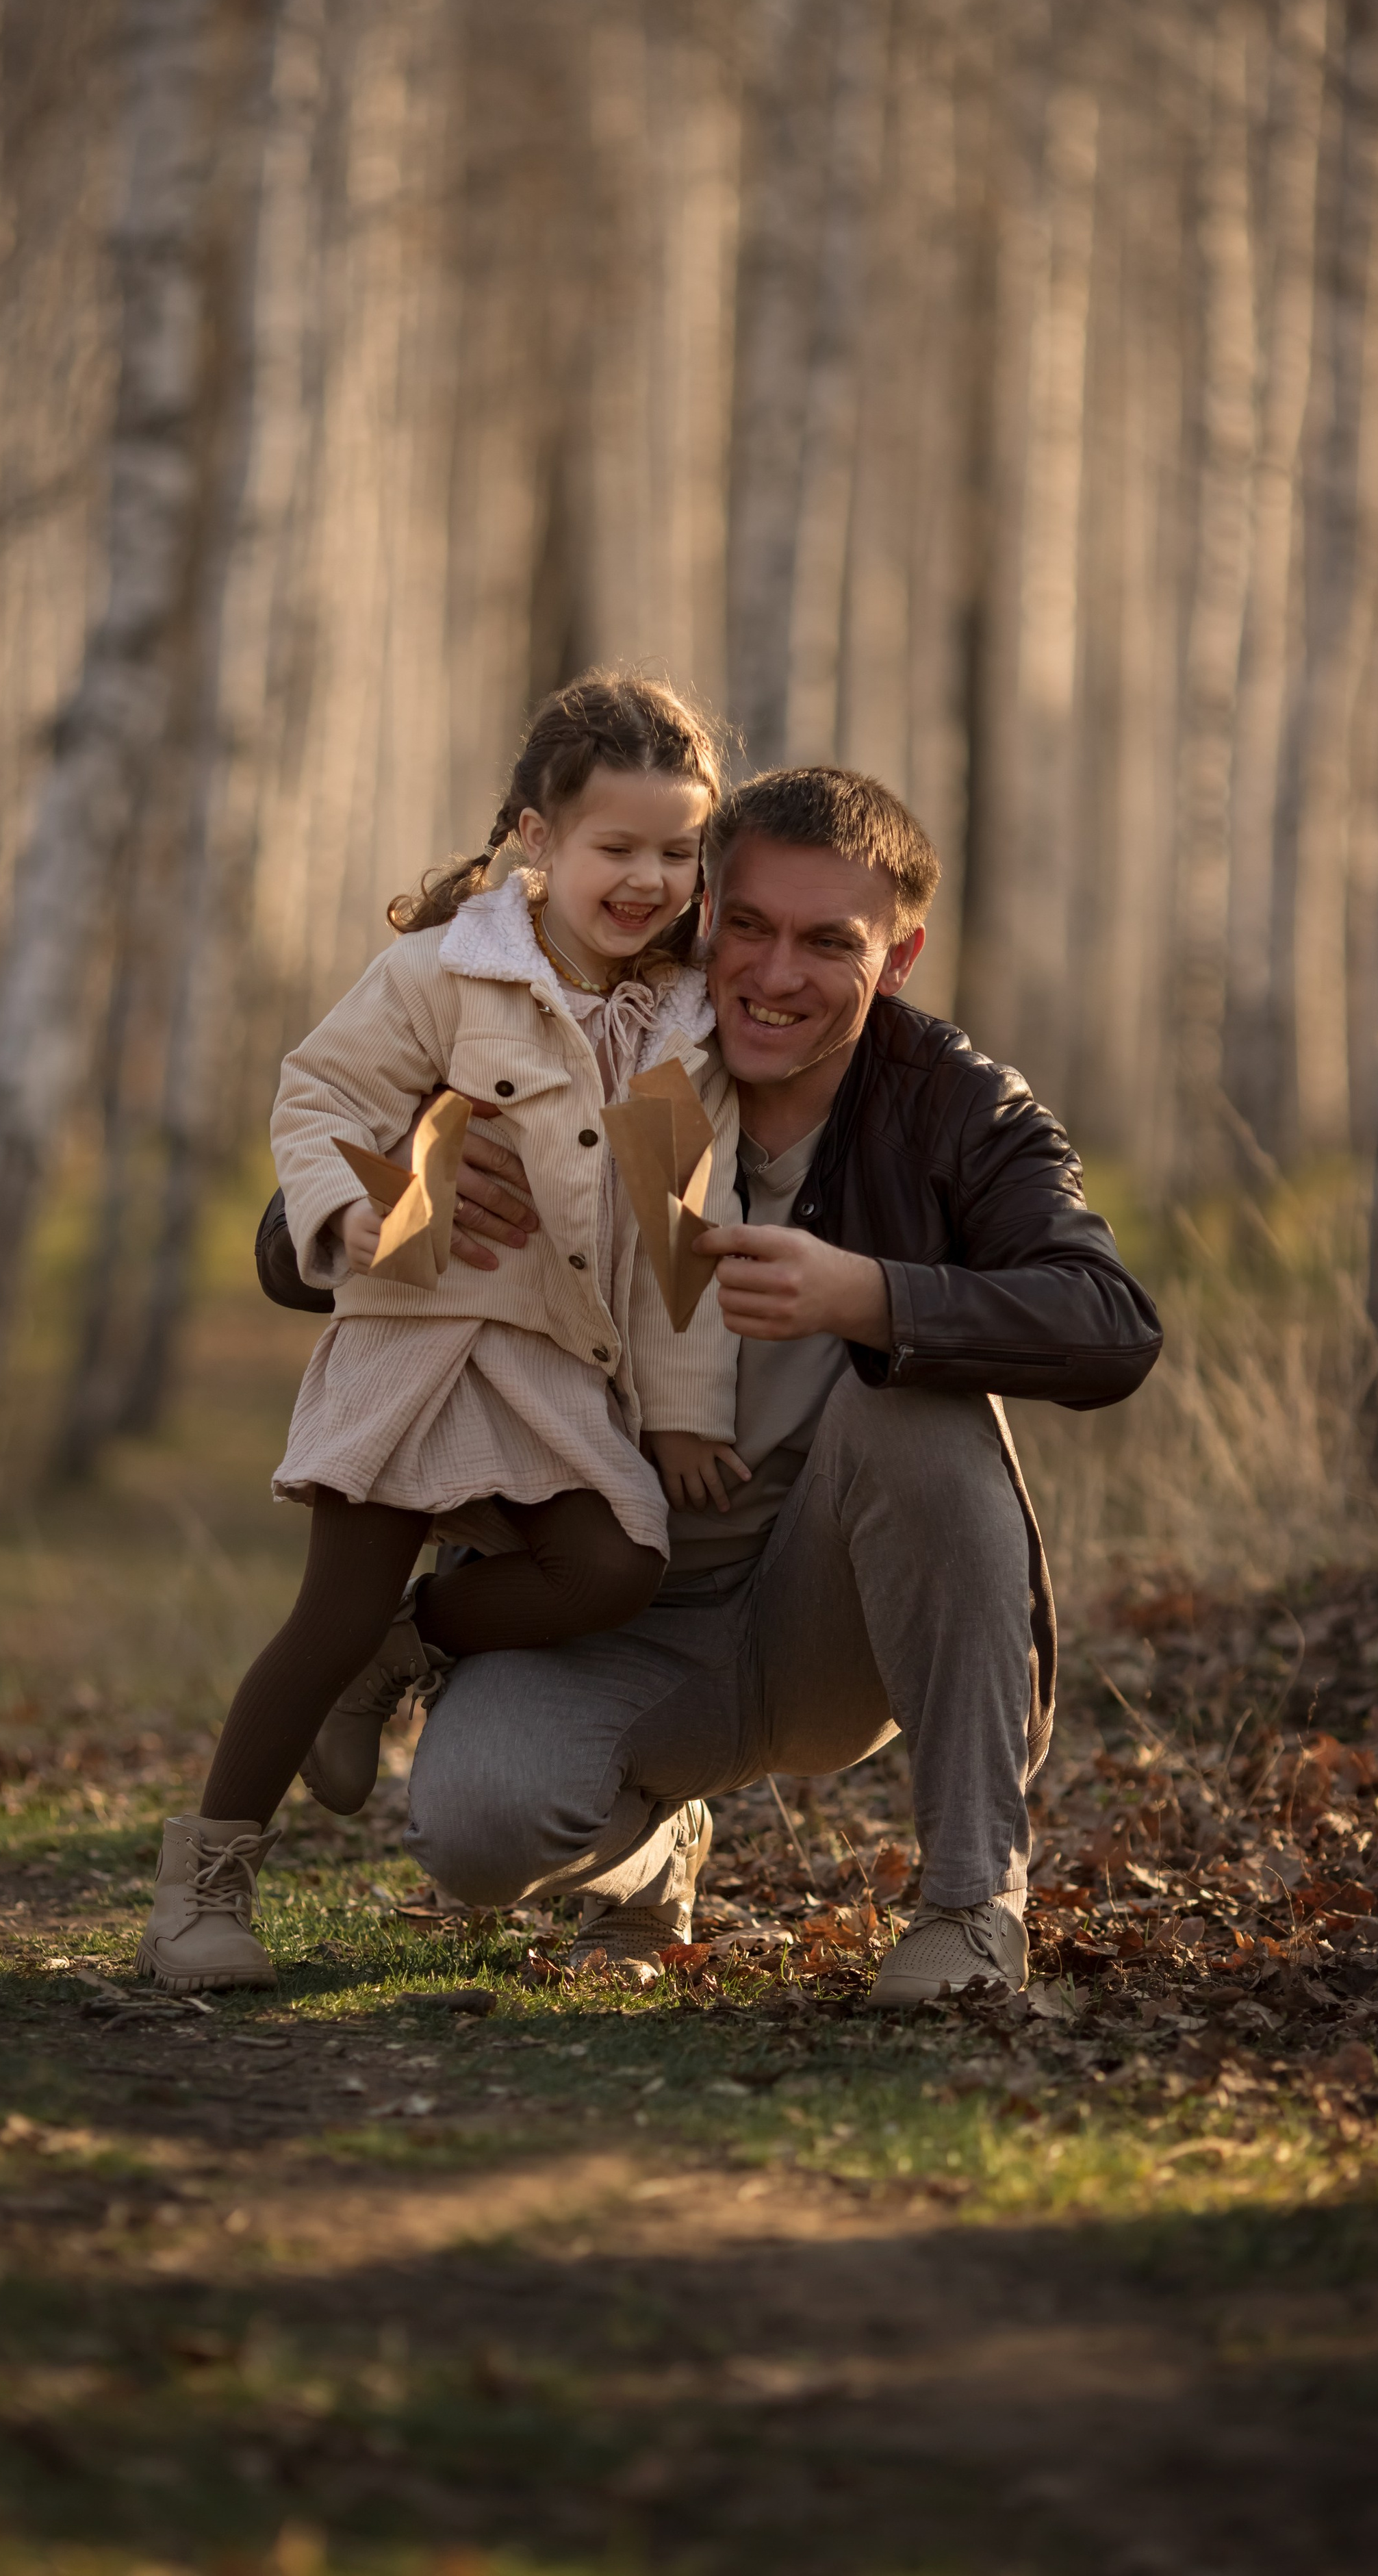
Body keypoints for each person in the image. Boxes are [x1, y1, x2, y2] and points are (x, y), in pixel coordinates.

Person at [394, 764, 1164, 1996]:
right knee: (473, 1831)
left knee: (914, 1397)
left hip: (829, 1626)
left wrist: (872, 1296)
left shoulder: (958, 1108)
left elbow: (1113, 1326)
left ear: (898, 959)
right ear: (701, 916)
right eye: (745, 925)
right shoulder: (575, 1037)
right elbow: (292, 1243)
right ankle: (653, 1863)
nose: (774, 973)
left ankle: (972, 1907)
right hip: (602, 1612)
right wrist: (405, 1191)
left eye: (829, 942)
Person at [138, 674, 747, 1993]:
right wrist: (362, 1205)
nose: (647, 879)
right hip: (416, 1344)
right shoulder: (446, 973)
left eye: (678, 851)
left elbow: (681, 1237)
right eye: (616, 848)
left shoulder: (678, 1029)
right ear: (536, 838)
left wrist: (690, 1409)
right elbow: (317, 1099)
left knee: (615, 1563)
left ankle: (406, 1650)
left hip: (546, 1368)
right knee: (322, 1614)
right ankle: (204, 1893)